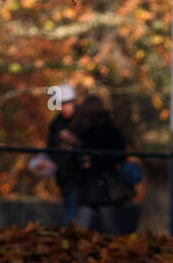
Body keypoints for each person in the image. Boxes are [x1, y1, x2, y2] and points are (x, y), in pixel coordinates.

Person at [68, 94, 130, 235]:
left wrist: (94, 161)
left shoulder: (102, 130)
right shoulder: (95, 129)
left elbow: (118, 155)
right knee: (104, 226)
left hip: (102, 186)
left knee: (104, 226)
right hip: (94, 187)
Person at [45, 85, 80, 226]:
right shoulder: (56, 123)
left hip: (79, 177)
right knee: (70, 209)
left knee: (74, 214)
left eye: (67, 104)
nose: (64, 108)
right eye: (61, 104)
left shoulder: (82, 121)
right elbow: (50, 148)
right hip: (63, 176)